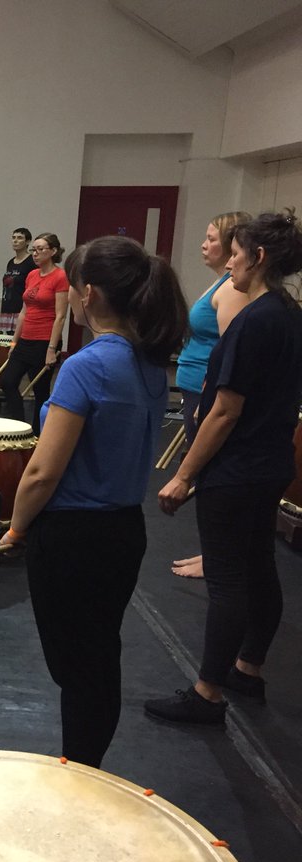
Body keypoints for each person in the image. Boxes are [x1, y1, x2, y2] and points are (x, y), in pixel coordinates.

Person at [0, 235, 187, 768]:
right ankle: (87, 765)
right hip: (124, 531)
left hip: (72, 538)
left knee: (76, 668)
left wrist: (15, 530)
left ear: (89, 293)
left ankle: (80, 774)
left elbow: (41, 471)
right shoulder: (151, 363)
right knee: (99, 656)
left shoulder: (87, 366)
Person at [149, 210, 302, 725]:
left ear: (258, 258)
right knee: (259, 566)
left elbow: (225, 410)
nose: (229, 262)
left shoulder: (253, 320)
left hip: (237, 470)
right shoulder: (288, 311)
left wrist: (184, 475)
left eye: (236, 253)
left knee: (230, 579)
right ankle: (248, 669)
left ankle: (207, 692)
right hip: (272, 462)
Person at [168, 211, 252, 579]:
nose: (204, 245)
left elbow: (230, 348)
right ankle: (213, 553)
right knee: (207, 476)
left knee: (210, 474)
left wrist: (210, 395)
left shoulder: (232, 289)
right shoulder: (219, 283)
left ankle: (216, 557)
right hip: (195, 387)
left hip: (208, 393)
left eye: (212, 239)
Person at [0, 232, 69, 435]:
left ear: (53, 251)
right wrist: (14, 343)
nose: (35, 254)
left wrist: (51, 349)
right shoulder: (31, 275)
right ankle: (20, 429)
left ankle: (39, 436)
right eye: (34, 250)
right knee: (8, 382)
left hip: (44, 341)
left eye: (40, 249)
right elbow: (23, 311)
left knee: (40, 391)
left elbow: (60, 316)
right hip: (25, 339)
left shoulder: (60, 277)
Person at [0, 228, 35, 334]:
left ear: (27, 241)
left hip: (20, 310)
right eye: (13, 238)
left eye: (19, 238)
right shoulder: (11, 262)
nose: (15, 241)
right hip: (7, 309)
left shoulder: (31, 262)